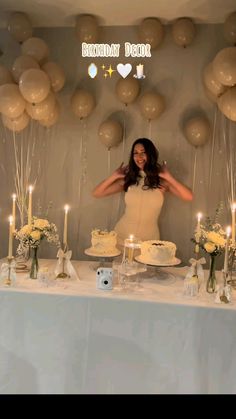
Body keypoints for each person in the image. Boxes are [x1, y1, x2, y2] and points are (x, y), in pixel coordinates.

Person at [92, 138, 193, 247]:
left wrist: (169, 177)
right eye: (135, 153)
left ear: (150, 154)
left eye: (143, 152)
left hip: (148, 243)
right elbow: (97, 193)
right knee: (121, 264)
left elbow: (189, 197)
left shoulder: (161, 182)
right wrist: (114, 175)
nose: (139, 157)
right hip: (122, 239)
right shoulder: (129, 180)